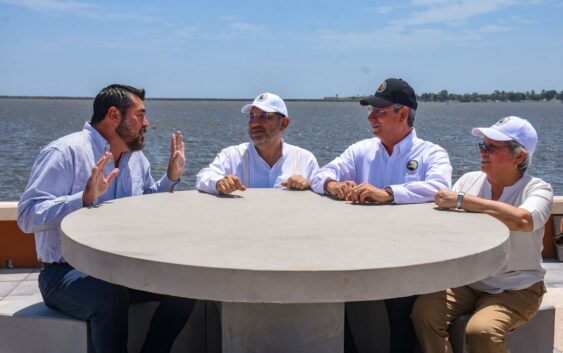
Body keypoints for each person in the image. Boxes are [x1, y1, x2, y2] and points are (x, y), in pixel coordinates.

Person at [18, 84, 196, 353]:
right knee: (111, 297)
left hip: (120, 268)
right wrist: (83, 199)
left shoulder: (137, 159)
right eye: (140, 115)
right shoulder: (65, 153)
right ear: (114, 115)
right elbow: (27, 215)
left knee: (185, 286)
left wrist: (170, 179)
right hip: (63, 272)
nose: (146, 123)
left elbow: (147, 202)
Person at [310, 78, 453, 353]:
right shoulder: (361, 151)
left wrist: (388, 193)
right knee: (340, 309)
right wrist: (332, 184)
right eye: (370, 111)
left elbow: (439, 188)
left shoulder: (431, 153)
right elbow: (319, 174)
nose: (371, 117)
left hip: (411, 258)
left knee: (400, 321)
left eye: (380, 111)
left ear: (402, 114)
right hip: (360, 256)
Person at [411, 116, 553, 353]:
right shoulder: (469, 181)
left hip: (518, 287)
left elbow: (522, 220)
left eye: (491, 147)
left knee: (481, 332)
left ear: (519, 156)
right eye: (482, 146)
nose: (483, 152)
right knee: (424, 313)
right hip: (470, 281)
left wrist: (462, 201)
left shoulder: (538, 189)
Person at [196, 92, 319, 194]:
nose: (254, 123)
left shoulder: (305, 159)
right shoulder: (232, 156)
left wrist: (307, 185)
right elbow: (203, 177)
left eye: (264, 116)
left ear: (284, 123)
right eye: (252, 116)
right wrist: (219, 182)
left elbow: (320, 185)